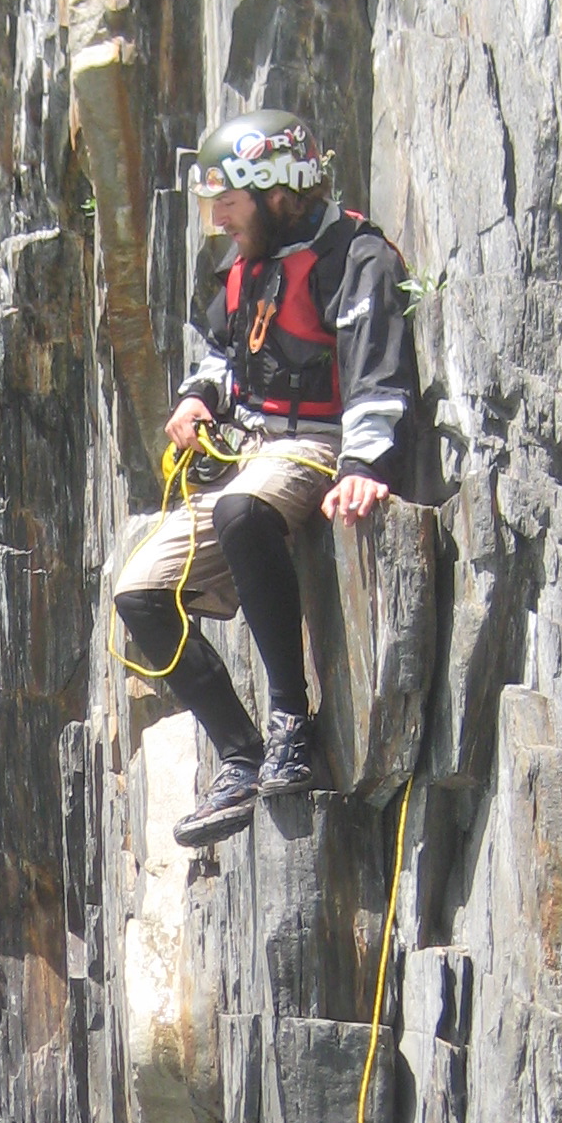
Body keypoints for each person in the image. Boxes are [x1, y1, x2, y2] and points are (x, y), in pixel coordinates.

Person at [112, 109, 420, 847]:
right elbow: (224, 353)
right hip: (248, 449)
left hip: (313, 444)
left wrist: (365, 466)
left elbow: (379, 376)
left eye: (229, 202)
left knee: (244, 513)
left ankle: (291, 725)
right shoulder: (252, 263)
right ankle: (243, 757)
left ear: (278, 192)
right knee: (139, 593)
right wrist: (198, 396)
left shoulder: (357, 257)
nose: (217, 219)